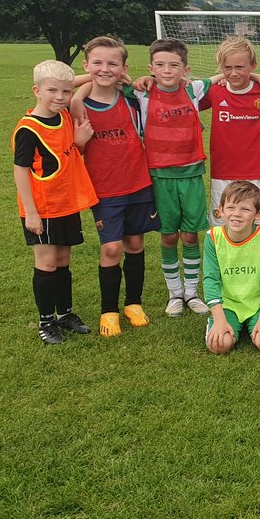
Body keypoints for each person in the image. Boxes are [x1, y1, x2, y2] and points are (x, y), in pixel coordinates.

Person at [78, 36, 160, 337]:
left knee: (135, 244)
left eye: (112, 63)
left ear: (123, 67)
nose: (104, 68)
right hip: (104, 189)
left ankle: (133, 303)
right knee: (111, 248)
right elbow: (50, 80)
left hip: (137, 184)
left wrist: (131, 81)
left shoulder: (131, 100)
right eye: (97, 62)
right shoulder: (77, 105)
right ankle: (109, 310)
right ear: (86, 66)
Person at [12, 60, 98, 344]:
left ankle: (66, 314)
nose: (60, 97)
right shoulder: (28, 129)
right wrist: (32, 213)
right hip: (42, 208)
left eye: (65, 91)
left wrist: (80, 139)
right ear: (36, 90)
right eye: (52, 91)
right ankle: (46, 322)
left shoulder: (62, 115)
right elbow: (21, 171)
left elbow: (83, 85)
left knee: (63, 261)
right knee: (46, 263)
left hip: (66, 202)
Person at [128, 39, 212, 317]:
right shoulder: (141, 94)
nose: (167, 70)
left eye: (174, 65)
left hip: (191, 174)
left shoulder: (194, 89)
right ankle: (174, 293)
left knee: (190, 235)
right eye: (160, 65)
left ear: (185, 69)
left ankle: (192, 292)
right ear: (151, 68)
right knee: (167, 237)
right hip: (159, 176)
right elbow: (100, 79)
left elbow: (222, 75)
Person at [199, 37, 260, 228]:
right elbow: (181, 93)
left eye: (240, 67)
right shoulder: (215, 91)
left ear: (253, 66)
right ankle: (222, 259)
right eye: (227, 68)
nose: (233, 73)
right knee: (221, 228)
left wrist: (259, 78)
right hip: (223, 172)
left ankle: (259, 259)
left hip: (258, 171)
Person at [202, 179, 260, 354]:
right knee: (219, 345)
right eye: (231, 208)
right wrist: (219, 319)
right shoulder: (213, 237)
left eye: (245, 209)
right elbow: (211, 280)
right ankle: (222, 322)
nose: (236, 214)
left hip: (258, 303)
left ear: (259, 214)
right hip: (228, 304)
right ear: (221, 210)